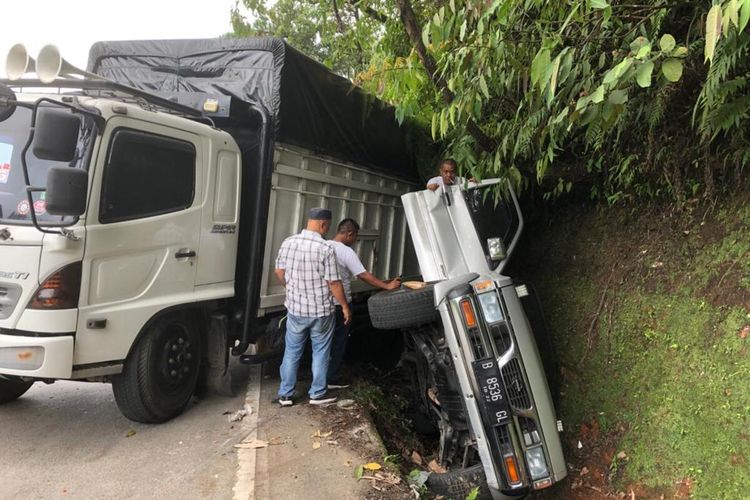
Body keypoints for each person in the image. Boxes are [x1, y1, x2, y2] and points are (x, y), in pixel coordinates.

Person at [274, 207, 351, 407]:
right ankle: (317, 394)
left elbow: (279, 272)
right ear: (324, 224)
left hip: (296, 310)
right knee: (321, 351)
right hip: (320, 312)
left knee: (291, 351)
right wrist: (344, 306)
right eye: (327, 226)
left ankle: (285, 394)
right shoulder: (325, 249)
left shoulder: (288, 242)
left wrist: (291, 287)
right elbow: (334, 283)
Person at [326, 218, 400, 388]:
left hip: (322, 304)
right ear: (349, 234)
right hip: (340, 304)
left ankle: (319, 379)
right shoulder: (345, 251)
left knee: (322, 343)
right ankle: (331, 379)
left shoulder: (324, 246)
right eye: (355, 237)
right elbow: (363, 275)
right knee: (338, 342)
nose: (354, 241)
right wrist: (386, 285)